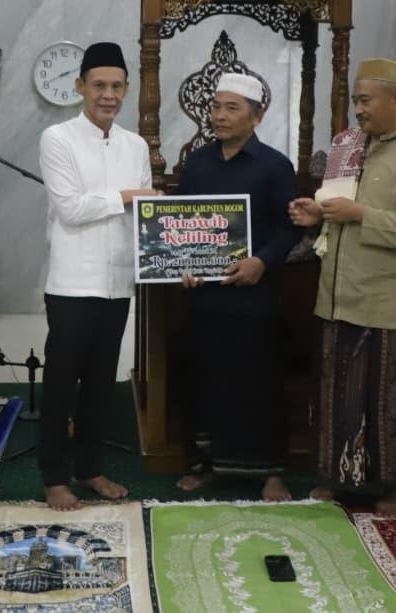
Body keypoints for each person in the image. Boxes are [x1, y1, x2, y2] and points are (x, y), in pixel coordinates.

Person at [288, 58, 396, 513]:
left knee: (386, 400)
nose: (358, 110)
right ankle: (336, 479)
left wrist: (361, 216)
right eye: (356, 101)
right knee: (337, 394)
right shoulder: (348, 147)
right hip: (337, 296)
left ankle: (394, 488)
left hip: (386, 300)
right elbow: (336, 210)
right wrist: (316, 213)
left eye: (365, 100)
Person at [37, 42, 156, 511]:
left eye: (117, 86)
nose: (108, 95)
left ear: (127, 90)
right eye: (99, 85)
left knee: (102, 384)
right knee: (62, 383)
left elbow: (143, 214)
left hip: (117, 282)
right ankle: (53, 477)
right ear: (80, 86)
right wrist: (128, 195)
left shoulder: (136, 144)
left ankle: (89, 469)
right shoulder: (58, 138)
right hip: (72, 283)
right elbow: (70, 209)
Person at [174, 72, 298, 502]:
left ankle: (271, 472)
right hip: (205, 298)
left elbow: (289, 229)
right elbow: (184, 225)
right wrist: (182, 265)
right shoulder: (197, 162)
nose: (219, 116)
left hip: (253, 298)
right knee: (206, 381)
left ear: (257, 116)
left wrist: (261, 262)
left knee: (257, 382)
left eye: (231, 108)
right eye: (215, 107)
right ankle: (208, 467)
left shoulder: (275, 166)